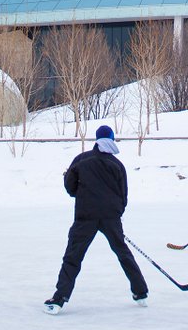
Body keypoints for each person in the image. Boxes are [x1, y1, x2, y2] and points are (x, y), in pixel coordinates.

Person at [44, 125, 148, 314]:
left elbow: (70, 186)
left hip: (86, 216)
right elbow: (123, 194)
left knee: (73, 256)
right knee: (123, 253)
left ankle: (59, 299)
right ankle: (140, 292)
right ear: (111, 139)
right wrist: (116, 213)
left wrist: (82, 195)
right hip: (110, 217)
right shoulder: (117, 164)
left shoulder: (81, 160)